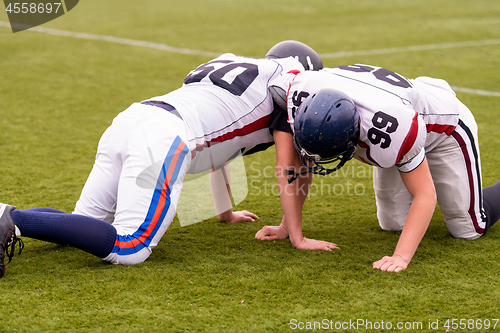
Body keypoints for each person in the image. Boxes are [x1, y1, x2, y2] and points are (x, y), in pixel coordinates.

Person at [0, 41, 336, 278]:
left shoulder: (237, 66)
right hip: (164, 137)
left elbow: (223, 145)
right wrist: (297, 236)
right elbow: (287, 166)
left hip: (133, 119)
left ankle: (7, 214)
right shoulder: (290, 82)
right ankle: (10, 217)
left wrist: (225, 213)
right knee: (131, 247)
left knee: (80, 227)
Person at [255, 64, 500, 272]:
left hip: (444, 127)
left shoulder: (390, 131)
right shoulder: (302, 95)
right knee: (392, 223)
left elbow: (425, 195)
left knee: (467, 227)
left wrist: (400, 257)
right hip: (396, 115)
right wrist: (288, 228)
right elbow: (296, 167)